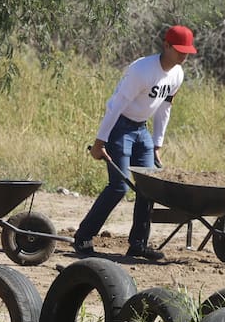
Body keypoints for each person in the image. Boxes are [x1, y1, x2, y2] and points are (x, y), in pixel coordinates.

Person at [73, 25, 198, 261]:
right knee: (118, 186)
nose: (184, 55)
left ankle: (138, 244)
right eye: (179, 50)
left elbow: (164, 108)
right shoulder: (142, 70)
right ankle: (83, 237)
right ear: (166, 45)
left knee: (148, 187)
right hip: (120, 127)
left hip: (141, 130)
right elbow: (116, 106)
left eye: (187, 51)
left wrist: (157, 144)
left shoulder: (177, 74)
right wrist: (100, 142)